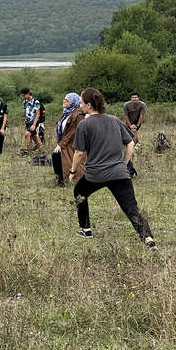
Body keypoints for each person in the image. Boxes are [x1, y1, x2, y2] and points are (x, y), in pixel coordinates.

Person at [70, 88, 156, 248]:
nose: (80, 106)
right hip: (119, 173)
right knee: (131, 207)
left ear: (89, 105)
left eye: (81, 103)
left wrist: (72, 171)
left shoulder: (84, 124)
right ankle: (148, 240)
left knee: (79, 192)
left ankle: (85, 228)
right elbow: (130, 143)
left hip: (95, 175)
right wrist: (123, 164)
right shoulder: (115, 120)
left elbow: (79, 152)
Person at [52, 93, 87, 187]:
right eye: (64, 99)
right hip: (65, 141)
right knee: (57, 157)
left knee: (69, 159)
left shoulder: (78, 115)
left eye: (67, 100)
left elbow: (73, 131)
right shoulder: (67, 112)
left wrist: (61, 144)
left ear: (73, 102)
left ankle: (70, 180)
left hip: (73, 143)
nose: (64, 101)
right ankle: (60, 179)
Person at [20, 88, 43, 157]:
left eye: (24, 95)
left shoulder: (35, 102)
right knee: (34, 137)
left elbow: (38, 114)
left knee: (27, 134)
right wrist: (25, 123)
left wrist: (34, 125)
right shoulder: (25, 102)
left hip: (34, 121)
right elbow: (26, 113)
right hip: (28, 121)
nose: (23, 97)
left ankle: (25, 151)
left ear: (28, 94)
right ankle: (40, 150)